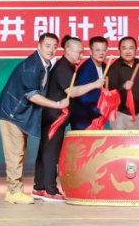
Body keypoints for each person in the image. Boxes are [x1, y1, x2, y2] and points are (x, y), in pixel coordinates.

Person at [0, 32, 66, 205]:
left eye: (55, 47)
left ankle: (12, 190)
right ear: (39, 46)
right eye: (47, 46)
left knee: (19, 153)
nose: (51, 50)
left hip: (20, 115)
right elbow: (32, 95)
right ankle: (15, 192)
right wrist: (57, 104)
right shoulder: (31, 66)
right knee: (15, 153)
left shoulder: (45, 64)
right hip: (12, 114)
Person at [33, 36, 104, 202]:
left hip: (55, 116)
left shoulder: (67, 66)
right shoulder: (63, 67)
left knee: (45, 151)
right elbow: (72, 92)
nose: (81, 55)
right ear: (68, 51)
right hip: (55, 117)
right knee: (51, 153)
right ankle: (50, 189)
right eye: (79, 52)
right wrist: (94, 84)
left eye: (82, 52)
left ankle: (39, 187)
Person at [105, 36, 139, 129]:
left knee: (138, 139)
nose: (128, 51)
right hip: (119, 115)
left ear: (136, 50)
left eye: (131, 48)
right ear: (119, 51)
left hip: (137, 115)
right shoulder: (114, 68)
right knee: (118, 139)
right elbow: (110, 94)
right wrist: (123, 87)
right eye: (124, 48)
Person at [70, 36, 109, 130]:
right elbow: (83, 97)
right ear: (90, 51)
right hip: (83, 118)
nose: (101, 53)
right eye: (98, 50)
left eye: (104, 50)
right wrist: (100, 108)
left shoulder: (105, 66)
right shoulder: (85, 69)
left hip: (97, 117)